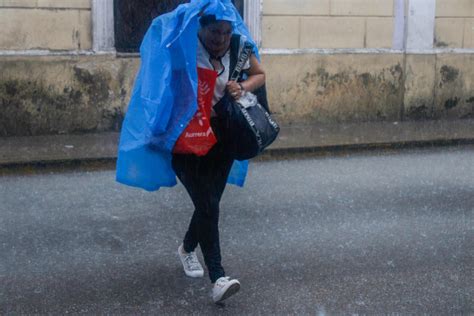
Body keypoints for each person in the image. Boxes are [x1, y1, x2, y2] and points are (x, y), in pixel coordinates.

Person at [173, 14, 265, 303]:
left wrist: (242, 87)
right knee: (208, 204)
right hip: (185, 139)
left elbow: (259, 75)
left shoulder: (239, 47)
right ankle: (218, 278)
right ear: (201, 29)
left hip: (223, 136)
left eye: (226, 32)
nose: (221, 39)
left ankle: (187, 249)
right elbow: (162, 84)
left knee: (209, 201)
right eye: (215, 32)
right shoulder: (184, 47)